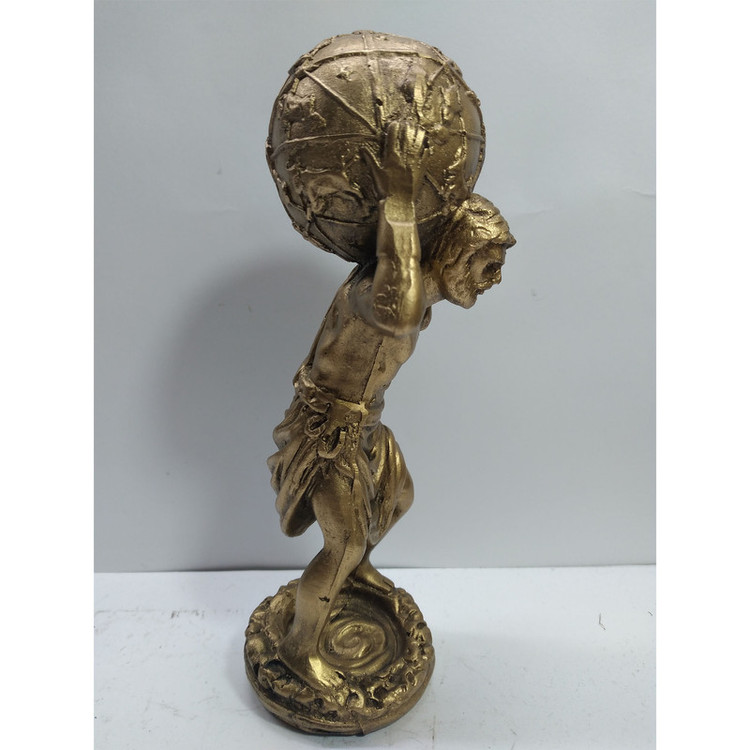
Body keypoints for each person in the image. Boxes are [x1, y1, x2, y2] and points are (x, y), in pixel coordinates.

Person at [267, 121, 515, 686]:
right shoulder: (394, 300)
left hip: (363, 424)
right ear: (456, 252)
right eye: (488, 263)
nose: (495, 279)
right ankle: (300, 648)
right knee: (345, 540)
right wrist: (399, 196)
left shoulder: (411, 294)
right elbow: (398, 277)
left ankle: (355, 574)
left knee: (397, 497)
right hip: (327, 431)